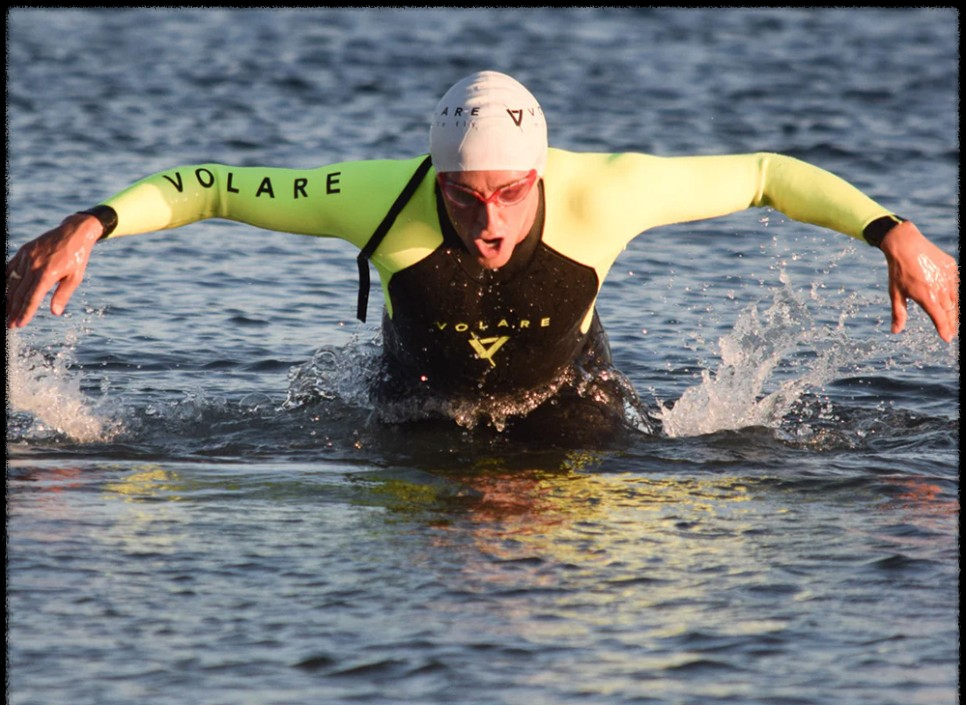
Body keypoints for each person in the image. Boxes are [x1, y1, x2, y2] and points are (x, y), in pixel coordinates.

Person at [5, 71, 959, 440]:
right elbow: (206, 183)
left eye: (509, 193)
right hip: (416, 406)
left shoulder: (608, 189)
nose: (490, 222)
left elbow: (763, 172)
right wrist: (91, 222)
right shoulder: (377, 194)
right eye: (465, 199)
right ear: (434, 180)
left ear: (542, 176)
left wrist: (893, 230)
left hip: (571, 404)